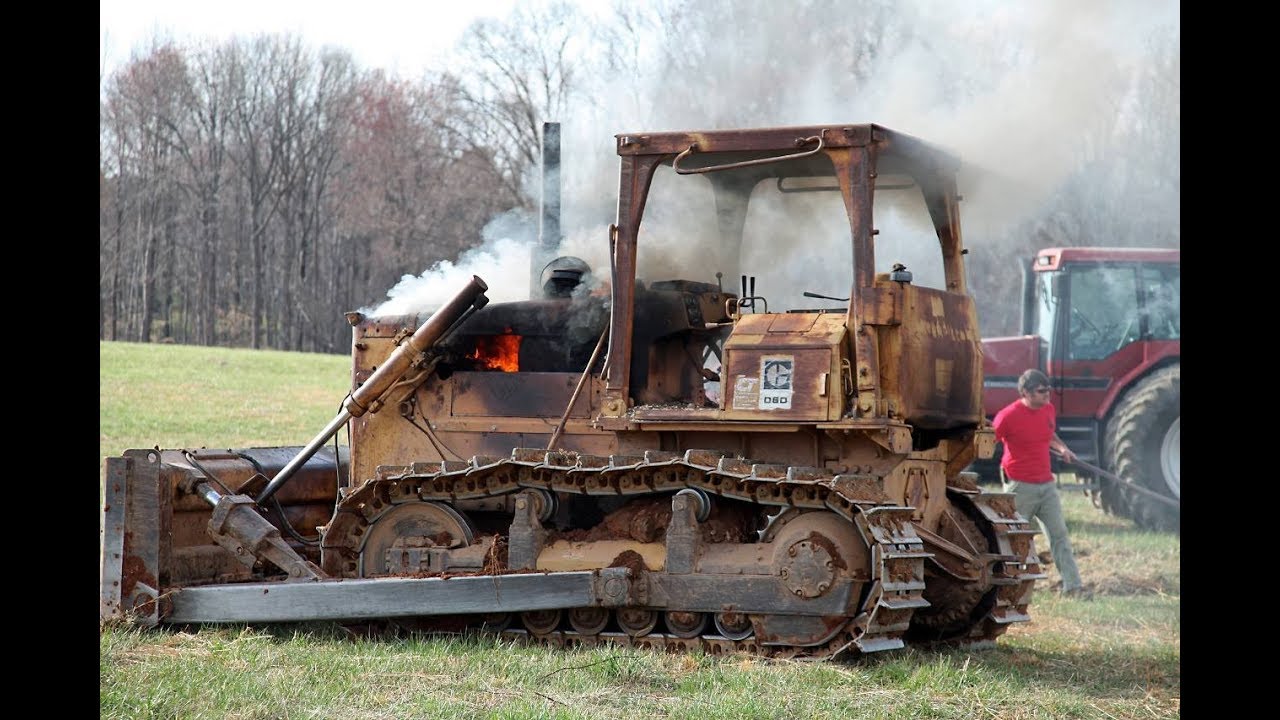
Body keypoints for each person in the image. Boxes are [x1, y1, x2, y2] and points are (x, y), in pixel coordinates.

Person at [992, 368, 1090, 599]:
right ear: (1025, 392)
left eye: (1048, 390)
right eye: (1041, 390)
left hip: (1046, 486)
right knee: (1013, 540)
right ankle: (1004, 589)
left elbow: (1049, 434)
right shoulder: (1007, 416)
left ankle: (1073, 587)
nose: (1048, 394)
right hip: (1020, 488)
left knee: (1060, 536)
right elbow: (986, 441)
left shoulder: (1048, 409)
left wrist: (1062, 448)